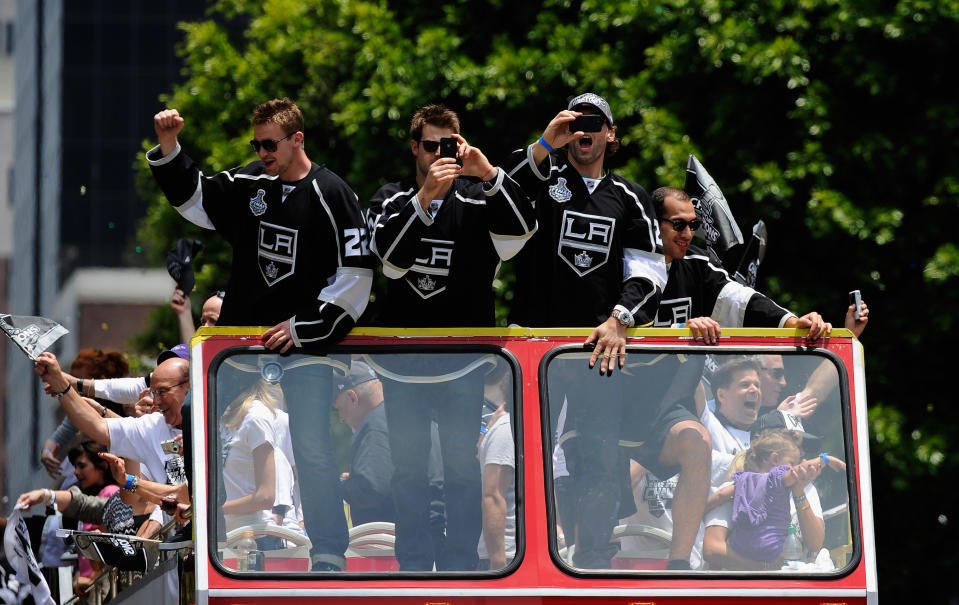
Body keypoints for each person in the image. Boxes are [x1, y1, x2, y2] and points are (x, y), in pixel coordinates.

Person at [149, 98, 373, 571]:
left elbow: (357, 277)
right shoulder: (250, 182)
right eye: (257, 144)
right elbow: (197, 201)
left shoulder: (334, 194)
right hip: (241, 348)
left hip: (306, 345)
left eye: (271, 144)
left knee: (311, 443)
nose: (263, 152)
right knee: (196, 414)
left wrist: (304, 327)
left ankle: (330, 550)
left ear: (298, 139)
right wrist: (170, 146)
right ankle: (210, 532)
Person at [505, 94, 708, 571]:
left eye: (595, 122)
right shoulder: (541, 179)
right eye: (575, 121)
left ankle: (591, 565)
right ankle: (525, 563)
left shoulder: (632, 198)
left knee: (597, 462)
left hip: (599, 354)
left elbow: (649, 276)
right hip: (534, 354)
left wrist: (619, 319)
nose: (584, 129)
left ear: (611, 134)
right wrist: (542, 144)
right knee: (522, 457)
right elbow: (499, 201)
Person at [367, 104, 534, 571]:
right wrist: (423, 198)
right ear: (415, 147)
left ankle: (462, 561)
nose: (440, 154)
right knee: (408, 471)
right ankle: (415, 563)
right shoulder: (392, 195)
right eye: (431, 144)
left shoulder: (478, 196)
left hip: (464, 360)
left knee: (463, 468)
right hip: (402, 363)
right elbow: (390, 262)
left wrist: (490, 173)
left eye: (450, 144)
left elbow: (522, 236)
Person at [650, 187, 832, 344]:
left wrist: (791, 322)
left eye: (693, 224)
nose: (688, 234)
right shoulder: (628, 265)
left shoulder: (699, 264)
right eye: (679, 224)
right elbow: (626, 326)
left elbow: (741, 299)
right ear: (654, 222)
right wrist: (680, 329)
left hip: (680, 381)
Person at [702, 429, 844, 570]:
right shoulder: (778, 477)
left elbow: (815, 544)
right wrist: (824, 459)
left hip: (786, 577)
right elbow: (712, 550)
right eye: (792, 462)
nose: (795, 466)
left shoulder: (742, 482)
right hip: (750, 582)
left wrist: (798, 492)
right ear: (775, 459)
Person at [40, 348, 130, 479]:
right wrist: (47, 452)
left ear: (99, 382)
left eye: (78, 383)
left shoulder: (127, 404)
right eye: (69, 380)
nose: (73, 388)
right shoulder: (81, 407)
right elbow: (56, 439)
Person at [331, 361, 394, 526]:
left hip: (387, 544)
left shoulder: (375, 425)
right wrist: (354, 481)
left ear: (353, 397)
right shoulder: (399, 416)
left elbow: (372, 489)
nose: (341, 418)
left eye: (339, 408)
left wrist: (340, 485)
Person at [477, 403, 515, 571]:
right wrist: (498, 562)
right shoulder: (508, 429)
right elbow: (492, 496)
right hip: (507, 556)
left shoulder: (510, 426)